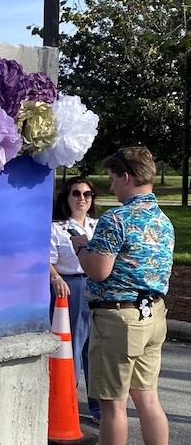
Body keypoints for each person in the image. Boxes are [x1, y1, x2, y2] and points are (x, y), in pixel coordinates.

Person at [71, 146, 174, 445]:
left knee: (113, 405)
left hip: (119, 319)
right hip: (153, 313)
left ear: (126, 177)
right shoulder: (163, 220)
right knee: (148, 399)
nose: (111, 186)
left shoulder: (116, 218)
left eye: (112, 178)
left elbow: (98, 271)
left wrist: (81, 246)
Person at [49, 176, 101, 424]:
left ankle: (98, 406)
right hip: (71, 287)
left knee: (96, 349)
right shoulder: (57, 227)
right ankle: (67, 405)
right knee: (74, 346)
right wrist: (56, 278)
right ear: (66, 197)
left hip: (97, 286)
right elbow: (47, 259)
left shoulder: (98, 225)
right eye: (76, 193)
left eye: (87, 194)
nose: (82, 199)